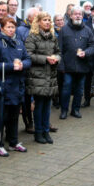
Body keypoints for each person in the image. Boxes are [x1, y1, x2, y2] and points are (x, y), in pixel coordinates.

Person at [0, 17, 31, 156]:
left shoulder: (19, 43)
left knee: (14, 116)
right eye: (8, 27)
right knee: (1, 117)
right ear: (2, 29)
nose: (11, 30)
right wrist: (11, 67)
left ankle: (13, 142)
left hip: (17, 86)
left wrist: (23, 65)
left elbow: (28, 58)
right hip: (3, 86)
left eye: (13, 27)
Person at [25, 12, 60, 144]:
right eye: (44, 20)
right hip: (37, 76)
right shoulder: (32, 37)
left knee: (47, 106)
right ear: (38, 22)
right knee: (39, 106)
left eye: (49, 20)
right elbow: (29, 55)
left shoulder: (53, 37)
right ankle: (38, 132)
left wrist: (56, 59)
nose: (47, 22)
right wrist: (46, 59)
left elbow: (58, 52)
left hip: (50, 75)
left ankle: (46, 131)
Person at [58, 5, 94, 119]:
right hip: (67, 66)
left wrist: (86, 52)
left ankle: (75, 110)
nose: (78, 16)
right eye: (75, 14)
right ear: (71, 15)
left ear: (83, 16)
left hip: (82, 65)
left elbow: (93, 46)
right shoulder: (64, 30)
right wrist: (61, 66)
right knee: (66, 89)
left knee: (79, 90)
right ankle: (64, 110)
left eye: (80, 14)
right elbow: (58, 49)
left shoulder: (87, 30)